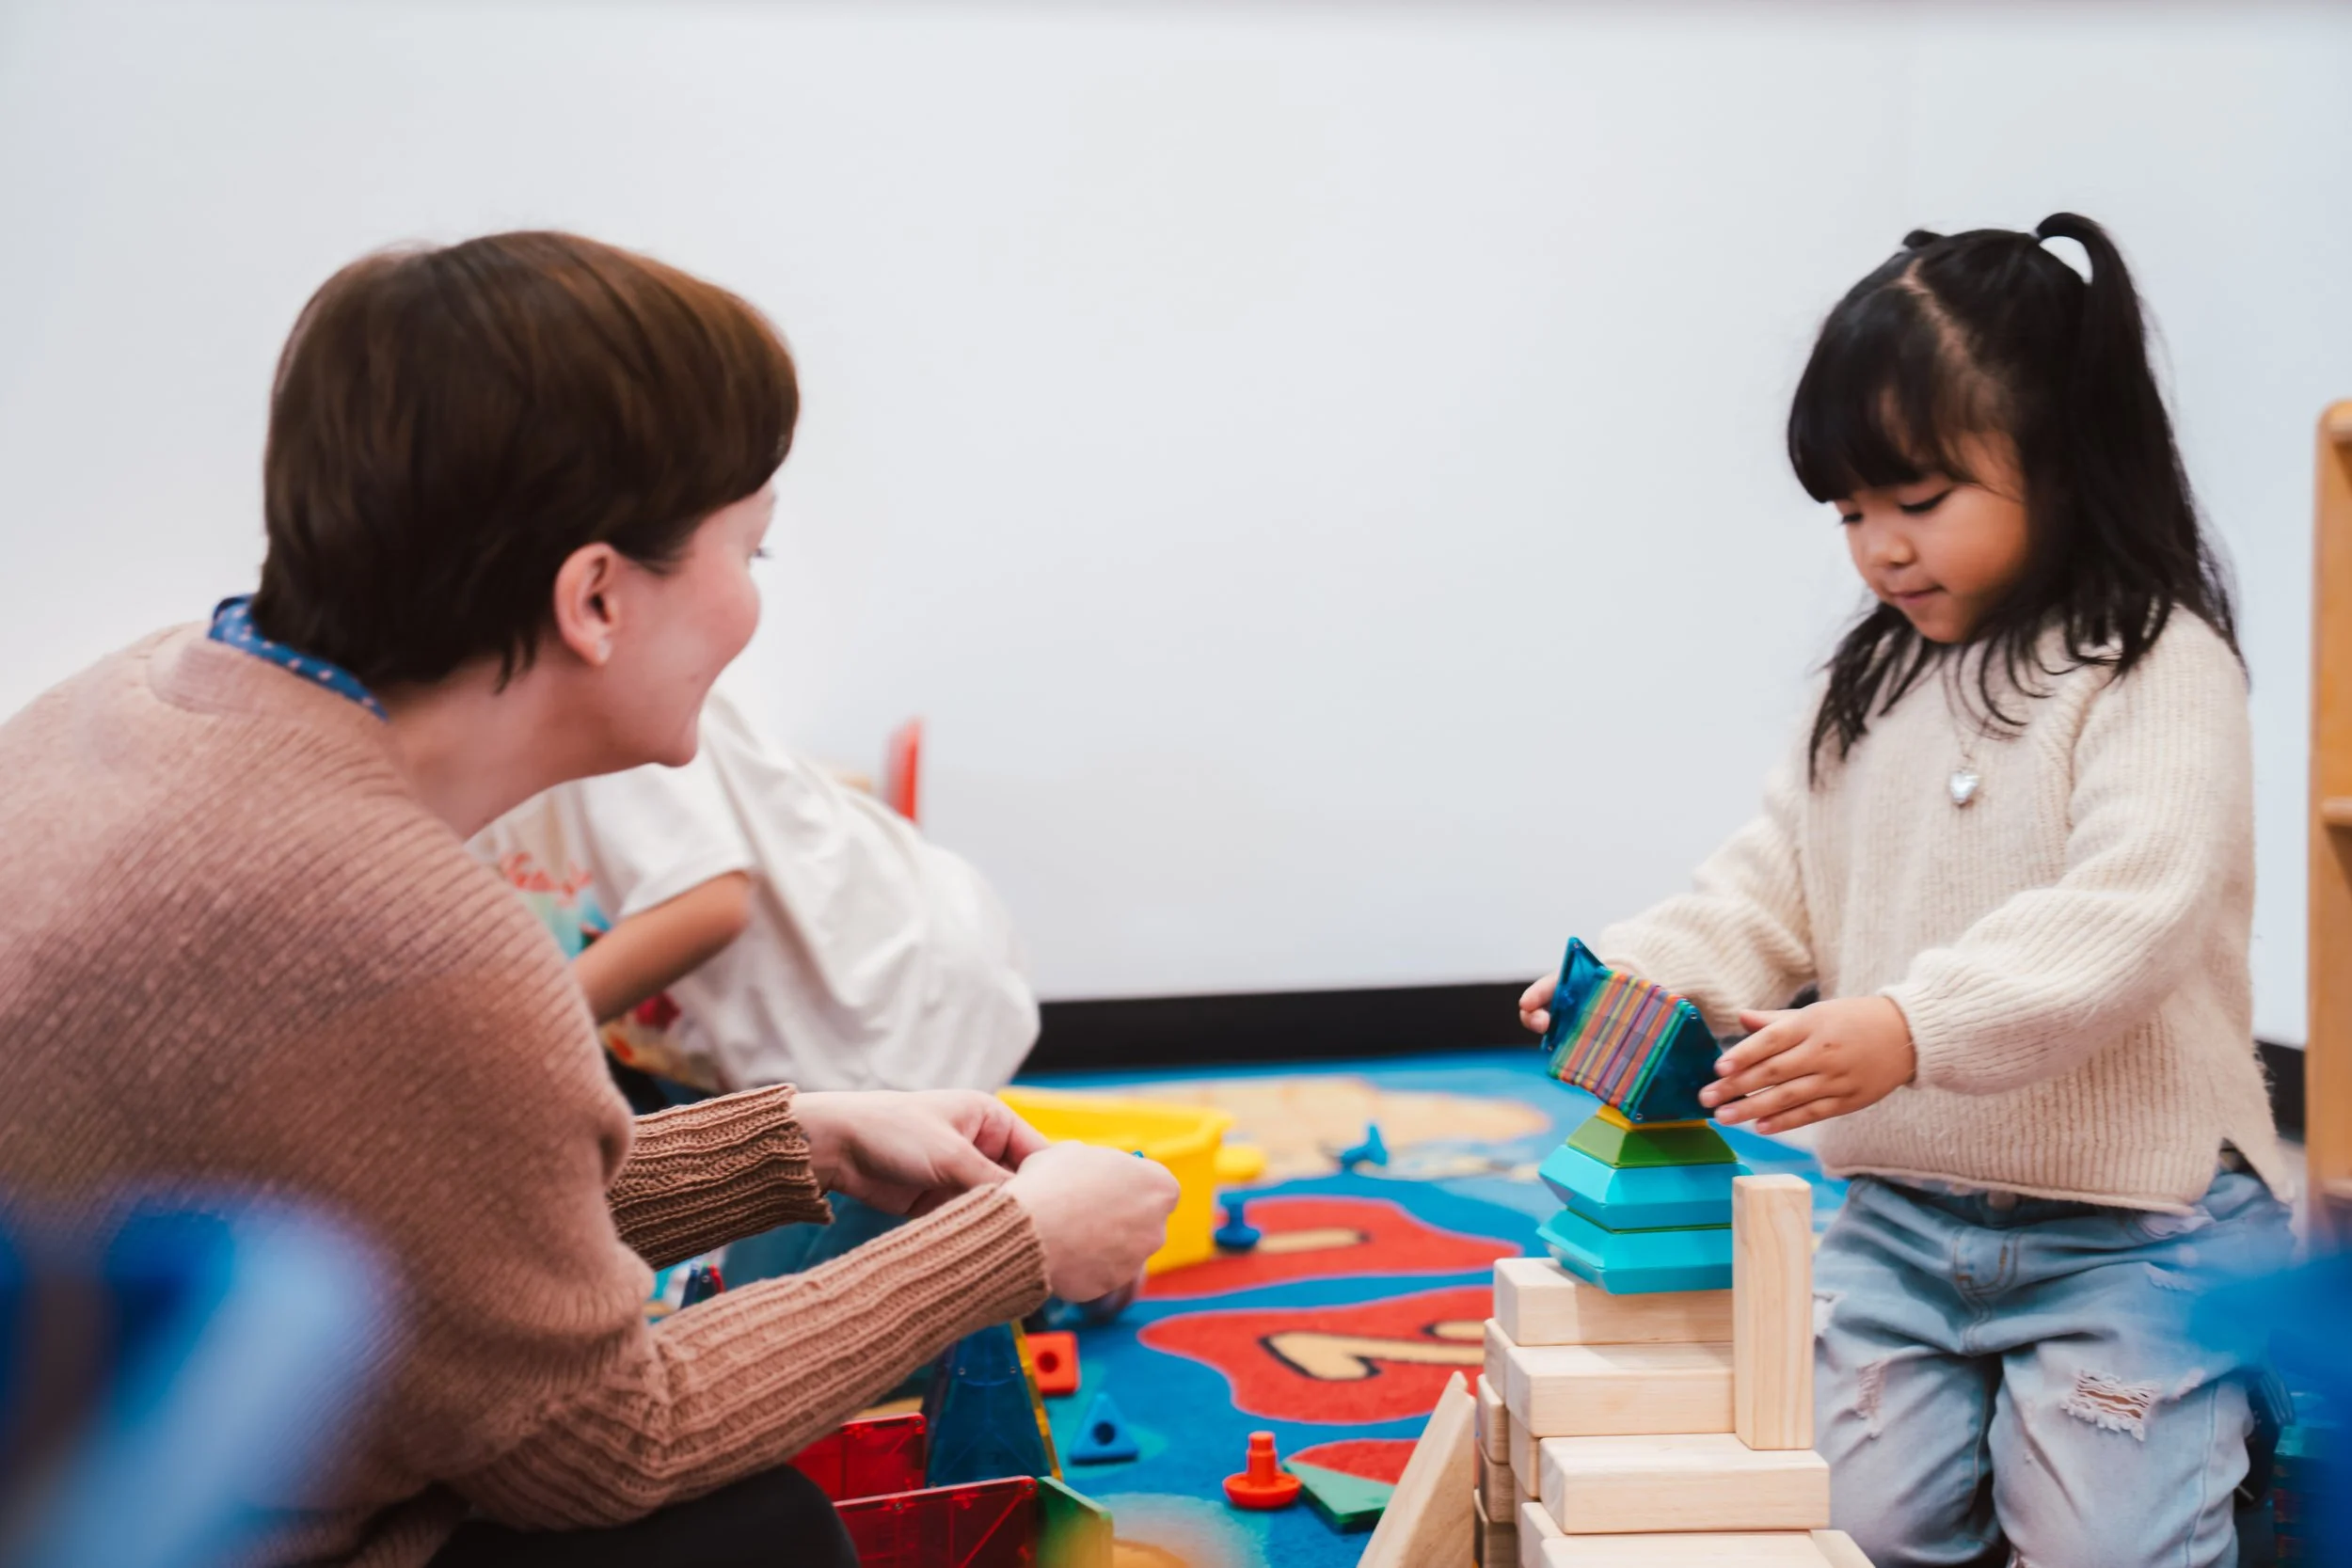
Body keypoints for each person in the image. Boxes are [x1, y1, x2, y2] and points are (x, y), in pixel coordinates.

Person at [0, 231, 1177, 1568]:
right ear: (598, 596)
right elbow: (608, 1440)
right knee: (743, 1533)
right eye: (757, 554)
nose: (751, 610)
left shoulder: (140, 692)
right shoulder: (409, 933)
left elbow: (419, 1199)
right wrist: (1018, 1240)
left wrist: (802, 1135)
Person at [1518, 214, 2293, 1567]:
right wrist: (1643, 972)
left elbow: (2123, 917)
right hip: (1904, 1223)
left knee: (2112, 1548)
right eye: (1852, 512)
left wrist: (1909, 1025)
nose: (1880, 545)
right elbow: (1771, 887)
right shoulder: (1864, 687)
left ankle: (2223, 1428)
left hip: (2137, 1230)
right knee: (1839, 1524)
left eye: (1920, 500)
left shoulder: (2154, 663)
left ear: (2064, 457)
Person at [470, 685, 1038, 1101]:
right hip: (732, 1056)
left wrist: (503, 1039)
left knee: (821, 1250)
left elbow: (708, 903)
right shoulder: (464, 776)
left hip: (879, 1029)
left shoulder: (604, 713)